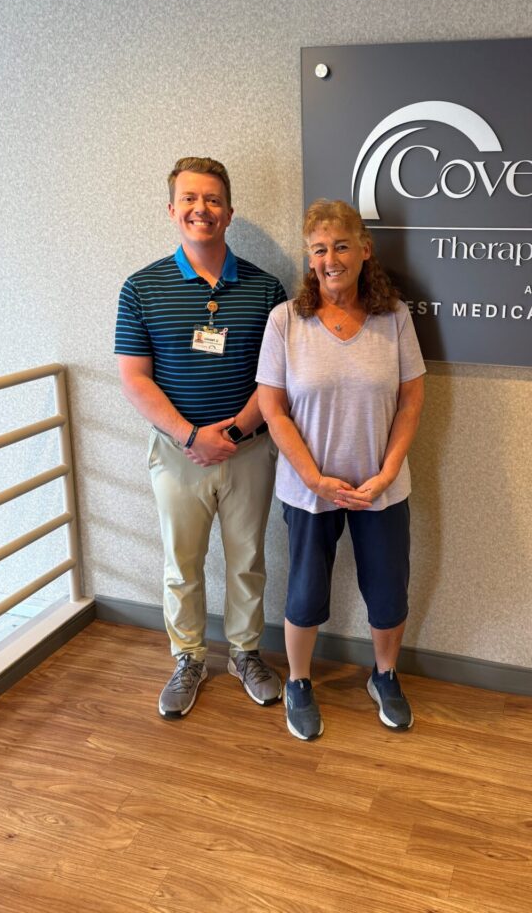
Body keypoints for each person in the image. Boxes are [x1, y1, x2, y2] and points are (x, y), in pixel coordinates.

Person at [115, 156, 286, 719]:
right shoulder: (141, 288)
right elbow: (134, 379)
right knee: (181, 564)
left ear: (230, 212)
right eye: (189, 199)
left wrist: (232, 431)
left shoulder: (265, 289)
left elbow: (275, 379)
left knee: (248, 561)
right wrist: (192, 435)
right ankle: (188, 657)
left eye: (212, 200)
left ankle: (244, 653)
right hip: (177, 453)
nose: (201, 209)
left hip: (249, 450)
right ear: (172, 210)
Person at [256, 199, 426, 741]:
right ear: (310, 258)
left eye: (341, 246)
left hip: (382, 486)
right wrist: (312, 477)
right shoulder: (286, 320)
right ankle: (301, 681)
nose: (331, 259)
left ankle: (385, 675)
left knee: (388, 591)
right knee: (304, 591)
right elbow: (272, 408)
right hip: (309, 489)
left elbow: (410, 403)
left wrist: (387, 471)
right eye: (319, 249)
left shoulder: (393, 318)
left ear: (364, 249)